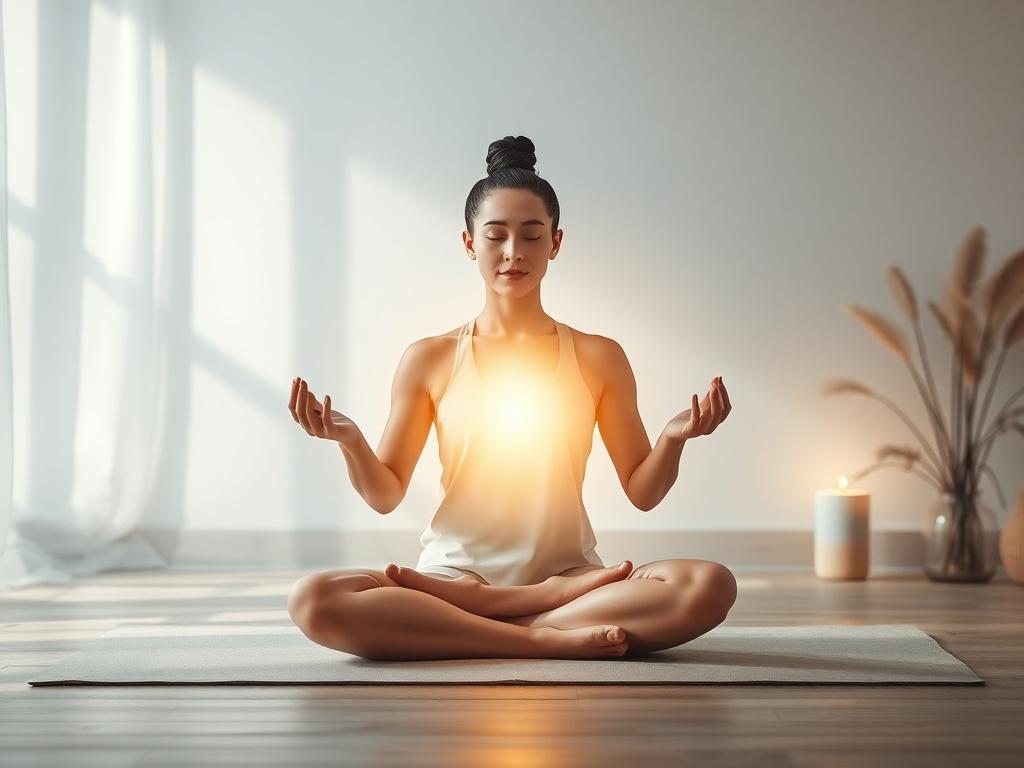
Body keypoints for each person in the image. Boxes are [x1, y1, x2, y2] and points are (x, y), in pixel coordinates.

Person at [286, 135, 736, 661]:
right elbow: (385, 494)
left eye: (531, 235)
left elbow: (642, 491)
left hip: (568, 576)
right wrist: (349, 440)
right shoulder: (429, 358)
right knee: (314, 599)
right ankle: (537, 634)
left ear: (556, 242)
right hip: (455, 576)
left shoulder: (598, 356)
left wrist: (673, 437)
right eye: (495, 236)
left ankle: (484, 622)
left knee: (708, 585)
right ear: (469, 243)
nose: (513, 253)